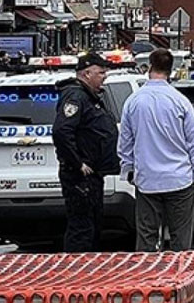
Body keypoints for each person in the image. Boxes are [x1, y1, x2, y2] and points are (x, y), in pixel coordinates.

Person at [118, 49, 194, 252]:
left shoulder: (133, 101)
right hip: (179, 179)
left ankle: (149, 280)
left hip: (147, 180)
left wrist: (129, 169)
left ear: (149, 67)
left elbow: (125, 142)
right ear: (171, 70)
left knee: (147, 238)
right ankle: (179, 279)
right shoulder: (180, 101)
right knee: (180, 240)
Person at [53, 53, 120, 252]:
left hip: (93, 175)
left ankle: (87, 271)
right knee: (82, 229)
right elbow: (61, 131)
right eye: (101, 73)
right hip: (80, 177)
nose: (104, 77)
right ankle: (77, 273)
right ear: (86, 73)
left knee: (92, 227)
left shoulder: (89, 97)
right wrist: (78, 163)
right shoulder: (75, 96)